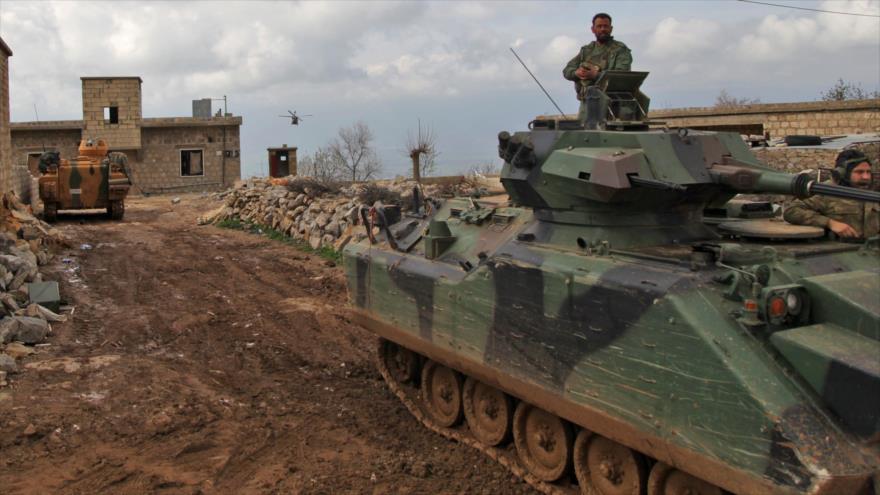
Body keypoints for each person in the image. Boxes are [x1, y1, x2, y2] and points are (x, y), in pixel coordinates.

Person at [783, 149, 879, 238]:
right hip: (841, 251)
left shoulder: (872, 193)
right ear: (843, 173)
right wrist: (830, 223)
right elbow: (791, 211)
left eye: (868, 172)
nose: (866, 177)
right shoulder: (826, 191)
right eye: (859, 172)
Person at [563, 13, 632, 120]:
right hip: (587, 105)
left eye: (606, 26)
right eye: (599, 26)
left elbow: (622, 75)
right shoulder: (586, 50)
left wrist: (596, 75)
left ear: (611, 28)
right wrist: (577, 73)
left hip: (614, 107)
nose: (603, 29)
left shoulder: (620, 50)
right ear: (593, 29)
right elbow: (567, 70)